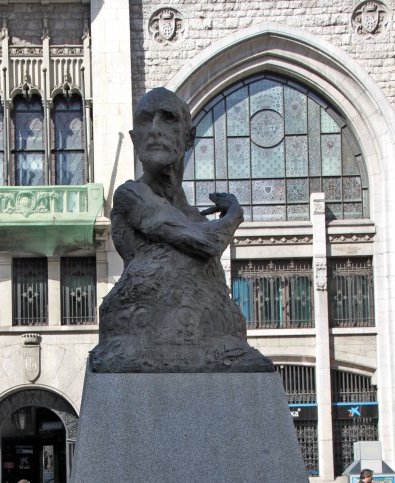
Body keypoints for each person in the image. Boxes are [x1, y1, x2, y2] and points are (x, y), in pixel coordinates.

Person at [89, 87, 273, 374]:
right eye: (146, 120)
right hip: (141, 335)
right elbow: (207, 242)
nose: (155, 130)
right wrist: (235, 214)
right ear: (135, 139)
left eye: (168, 119)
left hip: (210, 339)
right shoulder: (131, 195)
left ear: (188, 137)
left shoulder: (194, 216)